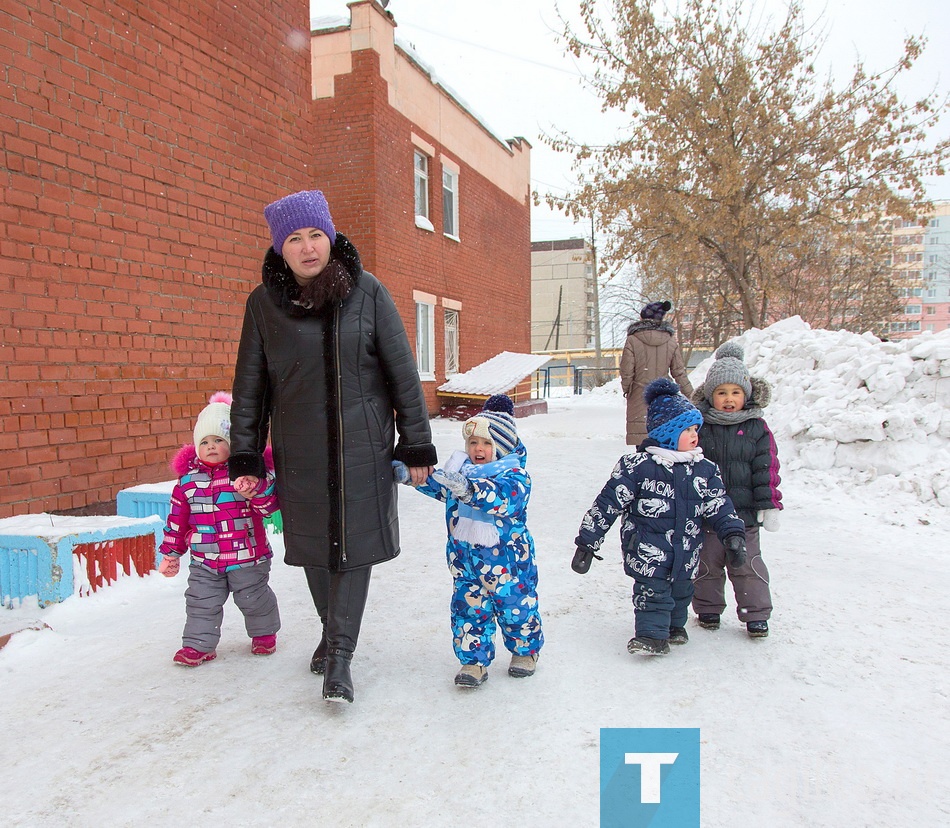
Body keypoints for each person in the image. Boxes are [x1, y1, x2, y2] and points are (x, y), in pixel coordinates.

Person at [228, 190, 437, 704]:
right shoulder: (262, 305)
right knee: (317, 552)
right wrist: (247, 454)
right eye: (294, 239)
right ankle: (330, 631)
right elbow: (250, 387)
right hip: (299, 451)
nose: (307, 247)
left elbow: (404, 377)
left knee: (353, 548)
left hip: (362, 446)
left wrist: (415, 445)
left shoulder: (368, 293)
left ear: (331, 236)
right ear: (281, 248)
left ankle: (340, 657)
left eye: (315, 235)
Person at [572, 378, 746, 655]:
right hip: (646, 551)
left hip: (687, 551)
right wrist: (587, 541)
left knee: (681, 592)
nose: (694, 434)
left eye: (695, 428)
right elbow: (608, 503)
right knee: (652, 594)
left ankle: (675, 626)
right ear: (666, 432)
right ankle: (652, 635)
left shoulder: (704, 469)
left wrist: (733, 534)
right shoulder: (637, 467)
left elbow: (719, 504)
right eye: (686, 429)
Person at [395, 394, 543, 688]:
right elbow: (441, 486)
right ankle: (473, 662)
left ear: (500, 447)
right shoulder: (459, 473)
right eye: (473, 443)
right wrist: (412, 477)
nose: (479, 449)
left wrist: (468, 489)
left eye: (487, 444)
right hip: (465, 564)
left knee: (517, 609)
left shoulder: (515, 477)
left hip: (509, 566)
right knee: (469, 613)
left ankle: (525, 652)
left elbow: (497, 498)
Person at [158, 392, 281, 666]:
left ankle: (264, 633)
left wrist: (255, 490)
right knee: (201, 603)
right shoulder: (187, 483)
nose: (211, 446)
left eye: (218, 440)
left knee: (254, 599)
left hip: (248, 557)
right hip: (204, 560)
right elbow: (177, 521)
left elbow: (270, 508)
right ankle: (197, 646)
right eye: (204, 441)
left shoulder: (246, 475)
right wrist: (171, 553)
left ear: (233, 444)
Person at [690, 342, 782, 638]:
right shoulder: (700, 427)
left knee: (747, 566)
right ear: (709, 395)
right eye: (721, 393)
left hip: (744, 516)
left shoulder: (757, 428)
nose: (729, 399)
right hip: (708, 517)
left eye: (735, 392)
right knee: (706, 565)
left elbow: (766, 469)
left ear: (747, 394)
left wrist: (768, 505)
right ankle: (708, 608)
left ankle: (755, 614)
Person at [620, 300, 694, 446]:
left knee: (641, 439)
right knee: (662, 436)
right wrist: (691, 395)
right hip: (663, 396)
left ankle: (642, 466)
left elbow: (627, 370)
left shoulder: (633, 340)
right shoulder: (670, 341)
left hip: (639, 394)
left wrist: (627, 389)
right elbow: (679, 372)